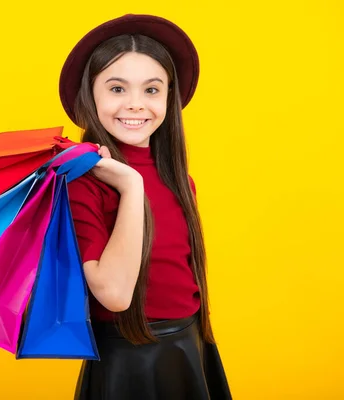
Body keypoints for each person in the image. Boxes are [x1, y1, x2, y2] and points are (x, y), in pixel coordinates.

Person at [59, 14, 232, 399]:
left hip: (190, 346)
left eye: (152, 90)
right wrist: (131, 186)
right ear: (91, 94)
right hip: (126, 360)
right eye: (117, 88)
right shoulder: (83, 183)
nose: (136, 104)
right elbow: (116, 296)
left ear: (169, 99)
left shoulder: (179, 180)